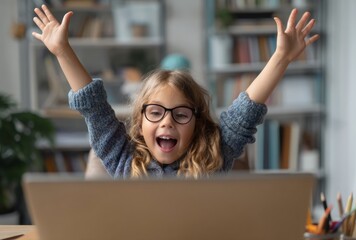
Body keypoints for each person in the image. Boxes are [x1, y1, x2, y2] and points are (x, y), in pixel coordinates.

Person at [32, 5, 319, 179]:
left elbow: (244, 114)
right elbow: (94, 108)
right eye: (155, 112)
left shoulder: (213, 159)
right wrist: (62, 50)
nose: (167, 122)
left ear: (196, 123)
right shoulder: (122, 158)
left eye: (180, 114)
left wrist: (281, 58)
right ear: (140, 121)